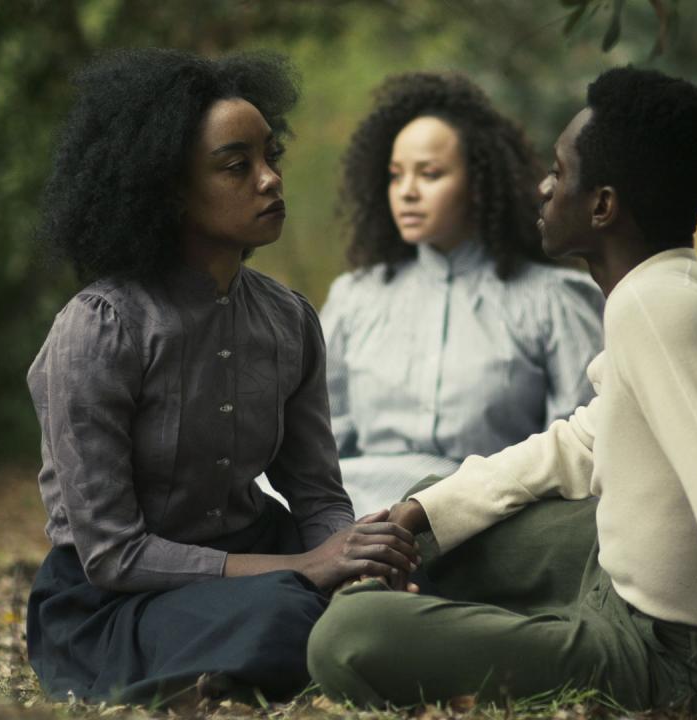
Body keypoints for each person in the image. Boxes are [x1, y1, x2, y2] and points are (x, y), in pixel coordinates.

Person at [307, 67, 697, 720]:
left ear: (602, 205)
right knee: (437, 511)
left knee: (347, 638)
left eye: (559, 171)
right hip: (619, 576)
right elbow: (583, 438)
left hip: (677, 661)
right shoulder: (695, 287)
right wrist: (421, 512)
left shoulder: (657, 313)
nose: (542, 187)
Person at [24, 49, 418, 706]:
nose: (269, 180)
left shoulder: (289, 319)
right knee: (285, 618)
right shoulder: (99, 328)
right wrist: (304, 568)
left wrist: (352, 564)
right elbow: (112, 556)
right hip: (121, 603)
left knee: (403, 565)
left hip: (264, 559)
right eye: (238, 166)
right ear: (167, 190)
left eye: (272, 156)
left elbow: (317, 495)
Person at [321, 72, 604, 513]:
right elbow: (320, 444)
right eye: (396, 176)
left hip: (486, 515)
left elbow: (581, 449)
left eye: (429, 174)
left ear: (478, 183)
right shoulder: (355, 299)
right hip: (355, 510)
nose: (408, 192)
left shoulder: (555, 300)